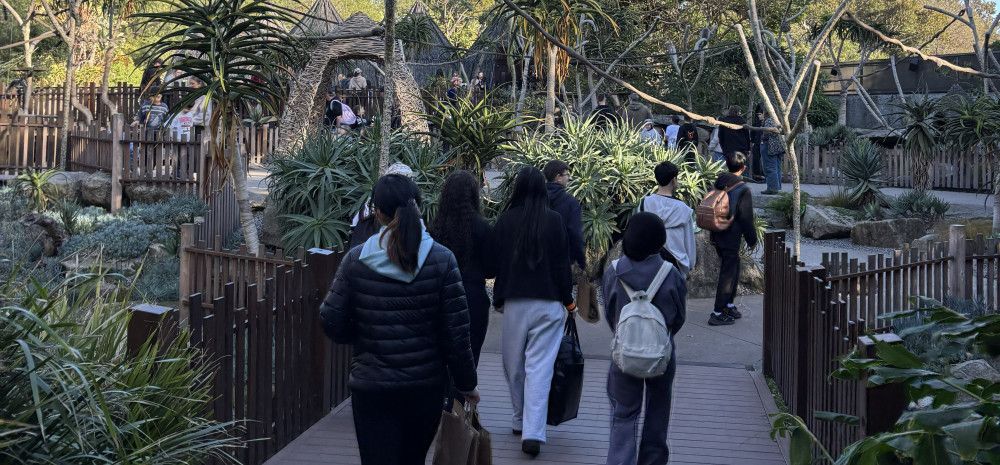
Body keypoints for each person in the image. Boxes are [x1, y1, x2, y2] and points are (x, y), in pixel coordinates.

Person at [319, 174, 480, 465]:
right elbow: (457, 334)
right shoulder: (442, 260)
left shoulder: (357, 260)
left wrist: (362, 335)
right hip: (425, 386)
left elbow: (331, 318)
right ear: (418, 206)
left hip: (372, 386)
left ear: (377, 213)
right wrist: (467, 384)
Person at [493, 166, 575, 457]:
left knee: (513, 366)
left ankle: (518, 419)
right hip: (550, 302)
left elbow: (495, 263)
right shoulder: (554, 221)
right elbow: (562, 267)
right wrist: (569, 301)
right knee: (539, 368)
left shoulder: (506, 220)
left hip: (515, 302)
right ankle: (533, 431)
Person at [602, 212, 686, 465]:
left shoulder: (614, 271)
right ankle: (653, 460)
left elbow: (610, 311)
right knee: (658, 410)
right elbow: (678, 316)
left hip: (624, 353)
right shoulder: (670, 273)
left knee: (623, 413)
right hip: (661, 352)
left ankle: (620, 460)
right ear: (660, 239)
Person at [429, 170, 495, 365]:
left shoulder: (435, 228)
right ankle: (461, 394)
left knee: (440, 354)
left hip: (439, 296)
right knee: (469, 354)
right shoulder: (482, 227)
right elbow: (492, 269)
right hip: (472, 296)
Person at [708, 152, 757, 326]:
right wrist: (752, 239)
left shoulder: (719, 182)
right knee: (728, 273)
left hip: (717, 231)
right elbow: (746, 218)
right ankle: (718, 311)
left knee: (733, 267)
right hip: (731, 235)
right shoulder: (743, 189)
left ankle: (728, 304)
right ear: (743, 168)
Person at [638, 161, 696, 277]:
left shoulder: (644, 203)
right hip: (677, 264)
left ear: (657, 179)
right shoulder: (683, 209)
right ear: (674, 180)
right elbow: (689, 241)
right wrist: (690, 265)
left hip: (650, 261)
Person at [543, 160, 586, 271]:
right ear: (558, 177)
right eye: (567, 175)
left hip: (538, 260)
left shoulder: (536, 199)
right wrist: (581, 261)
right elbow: (575, 233)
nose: (569, 178)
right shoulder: (570, 202)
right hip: (562, 260)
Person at [761, 115, 784, 194]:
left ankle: (772, 188)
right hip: (778, 147)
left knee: (770, 168)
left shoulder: (769, 120)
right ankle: (777, 187)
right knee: (777, 167)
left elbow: (767, 132)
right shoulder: (778, 119)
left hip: (770, 146)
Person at [749, 105, 765, 182]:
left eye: (760, 114)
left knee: (765, 160)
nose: (758, 116)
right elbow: (752, 132)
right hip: (757, 143)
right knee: (756, 159)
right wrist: (752, 141)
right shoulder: (756, 123)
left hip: (765, 143)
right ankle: (757, 176)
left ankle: (764, 176)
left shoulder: (768, 122)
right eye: (757, 114)